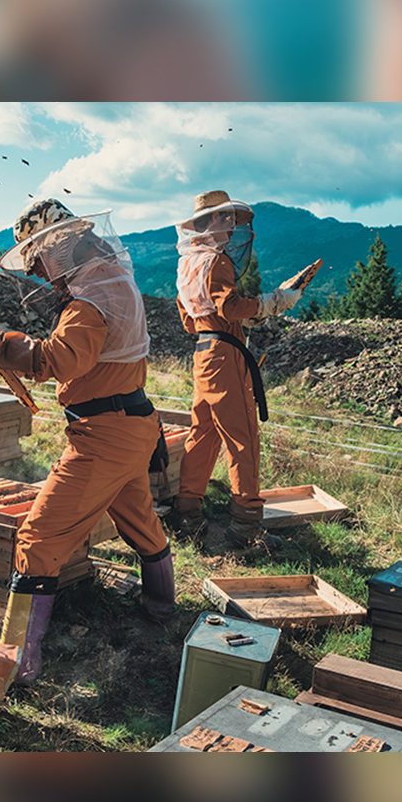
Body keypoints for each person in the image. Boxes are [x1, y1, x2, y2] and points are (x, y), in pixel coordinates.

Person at [0, 198, 174, 686]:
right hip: (133, 425)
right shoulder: (111, 282)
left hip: (103, 436)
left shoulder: (90, 302)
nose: (39, 270)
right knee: (140, 521)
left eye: (38, 258)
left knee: (38, 539)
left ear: (58, 246)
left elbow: (56, 362)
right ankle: (162, 608)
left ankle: (20, 660)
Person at [172, 189, 308, 551]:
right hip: (225, 354)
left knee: (203, 433)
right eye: (226, 218)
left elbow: (188, 319)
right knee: (242, 436)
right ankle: (246, 528)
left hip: (203, 352)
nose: (232, 227)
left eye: (234, 219)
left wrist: (222, 323)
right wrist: (273, 302)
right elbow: (230, 307)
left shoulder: (187, 263)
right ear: (209, 222)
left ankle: (188, 516)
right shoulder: (215, 261)